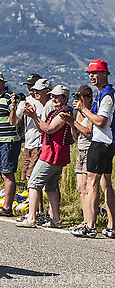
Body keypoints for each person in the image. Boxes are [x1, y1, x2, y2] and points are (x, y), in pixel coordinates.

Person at [17, 85, 73, 228]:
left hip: (52, 154)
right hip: (55, 154)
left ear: (65, 98)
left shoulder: (63, 113)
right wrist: (33, 116)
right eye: (53, 96)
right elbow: (42, 128)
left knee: (34, 183)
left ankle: (32, 217)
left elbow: (49, 129)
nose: (54, 98)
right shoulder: (56, 112)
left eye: (57, 96)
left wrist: (34, 116)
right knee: (50, 187)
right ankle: (56, 219)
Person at [70, 60, 115, 238]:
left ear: (105, 74)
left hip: (100, 143)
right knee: (106, 185)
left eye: (95, 73)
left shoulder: (107, 96)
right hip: (107, 143)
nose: (92, 76)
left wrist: (83, 110)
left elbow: (100, 121)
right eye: (90, 73)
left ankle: (90, 225)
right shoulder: (103, 94)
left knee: (92, 184)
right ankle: (111, 226)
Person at [0, 71, 21, 217]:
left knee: (7, 173)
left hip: (8, 141)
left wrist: (13, 106)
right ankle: (6, 206)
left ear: (3, 83)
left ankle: (7, 207)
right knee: (2, 173)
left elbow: (15, 120)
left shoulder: (9, 98)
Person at [61, 85, 93, 230]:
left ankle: (89, 221)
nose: (77, 100)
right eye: (76, 97)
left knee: (87, 188)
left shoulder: (91, 112)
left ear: (88, 98)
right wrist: (70, 122)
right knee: (80, 188)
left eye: (80, 97)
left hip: (89, 150)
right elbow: (76, 136)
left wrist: (73, 122)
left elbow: (88, 133)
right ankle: (85, 219)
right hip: (80, 150)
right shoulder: (78, 113)